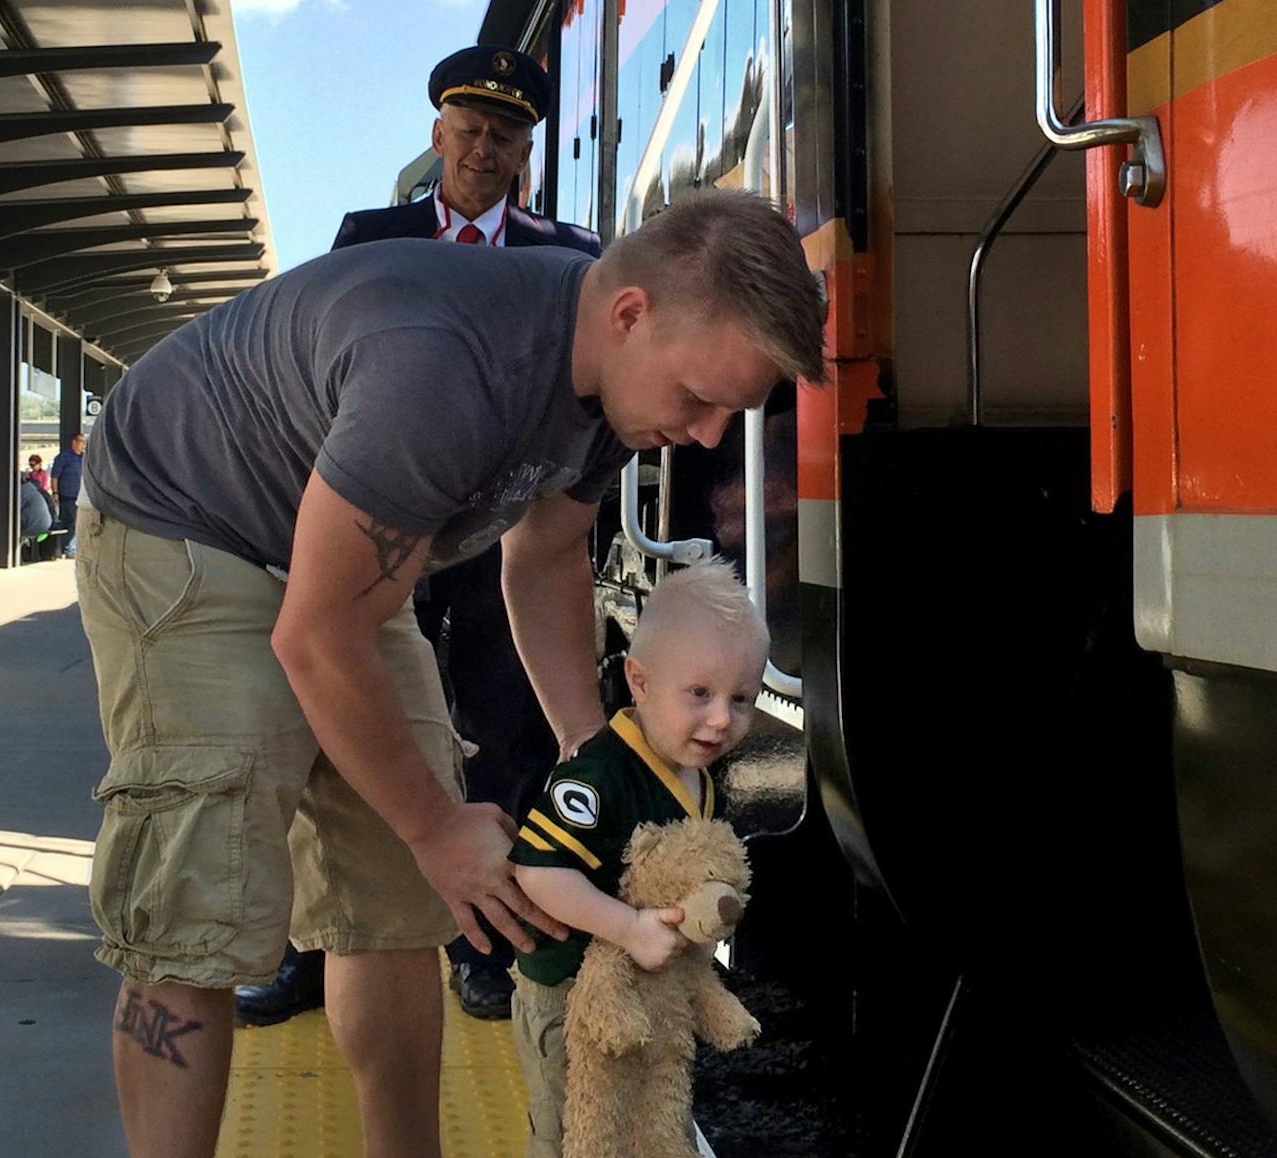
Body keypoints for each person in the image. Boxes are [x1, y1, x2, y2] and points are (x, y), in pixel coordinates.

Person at [76, 188, 824, 1158]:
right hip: (185, 522)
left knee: (401, 895)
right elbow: (314, 636)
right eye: (700, 399)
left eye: (733, 410)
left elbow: (543, 559)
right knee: (196, 902)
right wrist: (434, 823)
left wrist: (592, 753)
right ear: (630, 316)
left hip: (343, 569)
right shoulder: (446, 369)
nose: (711, 437)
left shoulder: (611, 390)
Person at [238, 42, 603, 1032]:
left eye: (505, 136)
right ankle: (309, 952)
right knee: (329, 721)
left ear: (527, 151)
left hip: (490, 532)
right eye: (470, 130)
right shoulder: (371, 234)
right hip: (369, 515)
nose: (484, 151)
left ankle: (485, 945)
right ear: (438, 134)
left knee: (501, 725)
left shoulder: (564, 254)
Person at [508, 558, 767, 1158]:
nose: (723, 718)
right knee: (573, 1131)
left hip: (651, 988)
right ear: (640, 681)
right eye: (699, 693)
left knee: (652, 1117)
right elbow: (537, 870)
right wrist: (628, 929)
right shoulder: (599, 775)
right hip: (572, 990)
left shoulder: (698, 770)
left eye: (743, 698)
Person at [52, 433, 85, 559]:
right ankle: (68, 549)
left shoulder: (84, 458)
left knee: (77, 523)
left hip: (80, 495)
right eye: (81, 441)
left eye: (84, 442)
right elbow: (55, 476)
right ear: (74, 442)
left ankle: (71, 547)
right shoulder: (64, 457)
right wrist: (55, 492)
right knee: (69, 522)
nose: (83, 444)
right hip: (67, 495)